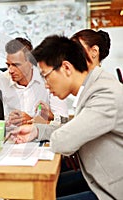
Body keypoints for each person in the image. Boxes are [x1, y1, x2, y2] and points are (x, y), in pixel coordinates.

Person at [11, 35, 123, 199]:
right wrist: (36, 130)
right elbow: (72, 128)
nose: (46, 85)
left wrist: (44, 130)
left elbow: (63, 141)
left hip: (112, 190)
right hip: (98, 179)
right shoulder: (94, 86)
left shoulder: (105, 94)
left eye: (46, 75)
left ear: (66, 68)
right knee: (33, 192)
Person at [0, 37, 68, 126]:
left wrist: (31, 121)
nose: (11, 70)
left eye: (16, 65)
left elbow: (63, 122)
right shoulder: (0, 81)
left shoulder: (48, 78)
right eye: (8, 65)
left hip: (41, 137)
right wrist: (7, 121)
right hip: (10, 137)